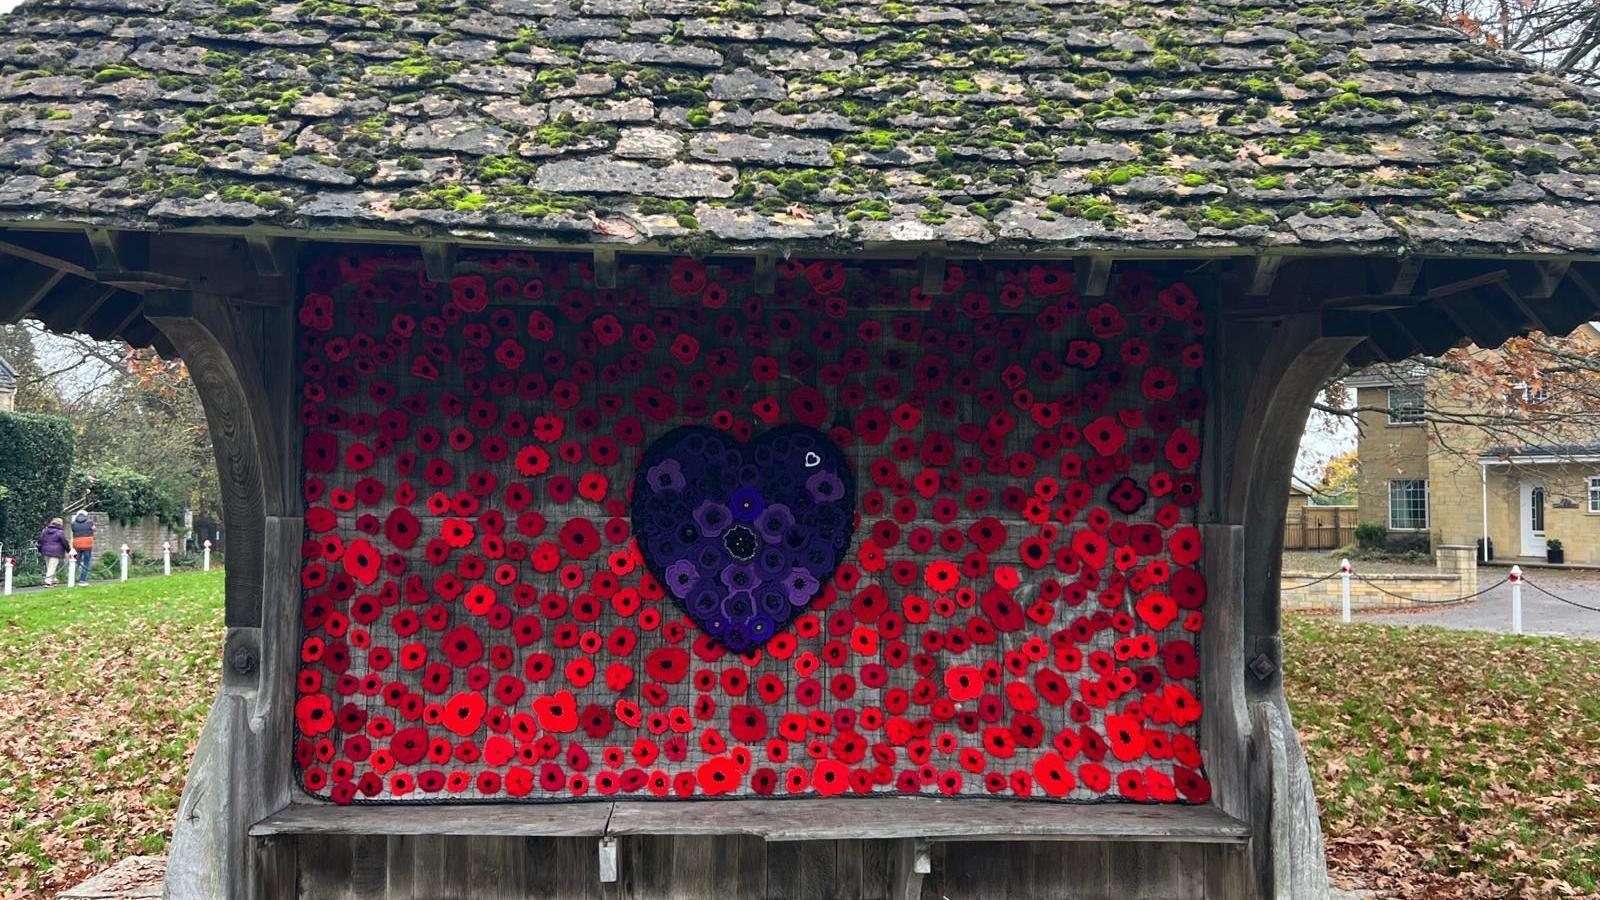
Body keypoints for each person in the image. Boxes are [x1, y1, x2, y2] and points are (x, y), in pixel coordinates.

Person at [37, 517, 68, 586]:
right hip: (56, 552)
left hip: (45, 550)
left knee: (49, 566)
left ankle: (54, 579)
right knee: (52, 566)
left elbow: (40, 540)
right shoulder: (60, 532)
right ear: (60, 524)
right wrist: (68, 550)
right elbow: (64, 542)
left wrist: (40, 549)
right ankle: (48, 581)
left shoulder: (45, 530)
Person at [70, 510, 95, 584]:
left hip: (77, 544)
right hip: (87, 544)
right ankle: (82, 579)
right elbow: (93, 529)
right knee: (86, 562)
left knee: (76, 561)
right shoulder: (90, 522)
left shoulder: (73, 523)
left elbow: (73, 530)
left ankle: (72, 578)